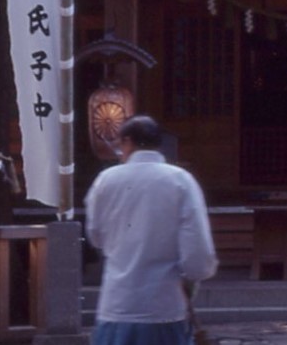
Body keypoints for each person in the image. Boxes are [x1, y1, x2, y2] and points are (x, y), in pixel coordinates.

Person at [85, 115, 218, 345]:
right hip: (163, 303)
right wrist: (191, 277)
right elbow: (198, 257)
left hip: (118, 303)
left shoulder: (105, 181)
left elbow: (96, 236)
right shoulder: (180, 181)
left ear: (126, 142)